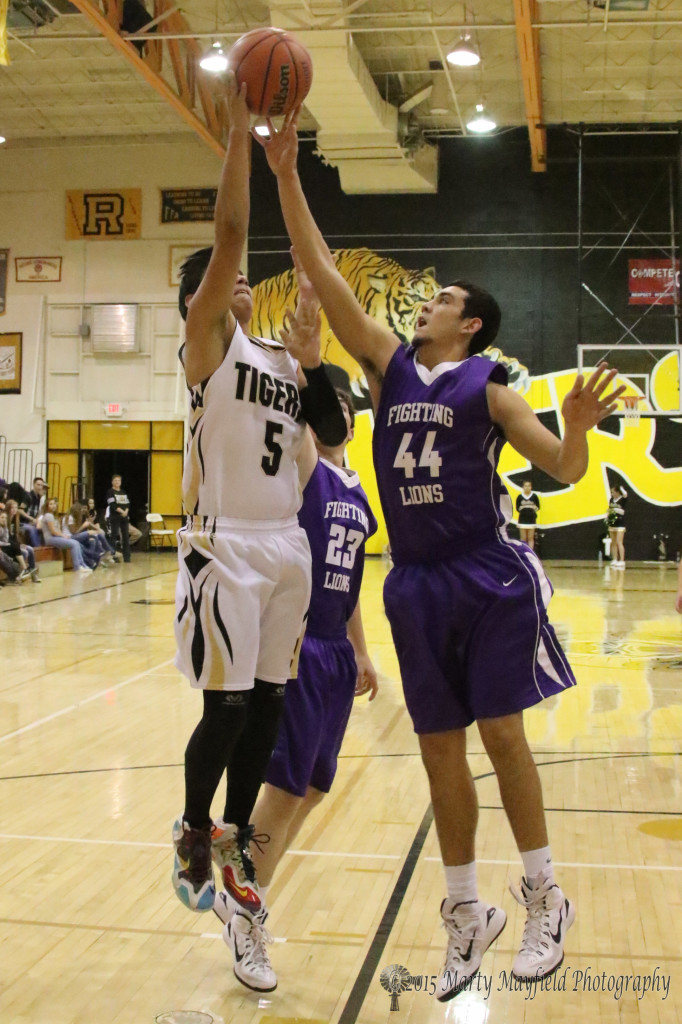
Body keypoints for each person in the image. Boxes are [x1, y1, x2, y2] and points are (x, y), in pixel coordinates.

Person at [256, 110, 626, 998]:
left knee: (501, 735)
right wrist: (283, 174)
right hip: (414, 585)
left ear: (471, 328)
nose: (427, 305)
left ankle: (544, 896)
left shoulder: (491, 388)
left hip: (487, 576)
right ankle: (465, 913)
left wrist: (575, 428)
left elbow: (563, 467)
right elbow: (319, 268)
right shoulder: (384, 365)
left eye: (445, 302)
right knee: (437, 754)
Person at [170, 75, 346, 919]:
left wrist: (313, 361)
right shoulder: (207, 346)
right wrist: (242, 129)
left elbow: (335, 431)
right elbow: (232, 233)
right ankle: (195, 828)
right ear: (198, 305)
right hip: (223, 542)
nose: (237, 283)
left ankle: (239, 832)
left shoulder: (280, 353)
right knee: (229, 705)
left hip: (287, 546)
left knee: (270, 705)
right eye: (219, 281)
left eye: (238, 281)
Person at [214, 383, 379, 993]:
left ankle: (245, 895)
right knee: (284, 792)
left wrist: (362, 650)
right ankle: (242, 904)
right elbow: (302, 416)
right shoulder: (303, 470)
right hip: (298, 647)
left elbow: (351, 577)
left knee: (309, 789)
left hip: (336, 649)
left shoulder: (359, 490)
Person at [40, 497, 93, 574]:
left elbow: (57, 530)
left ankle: (83, 565)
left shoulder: (54, 516)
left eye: (54, 504)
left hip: (56, 537)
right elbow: (53, 531)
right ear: (47, 506)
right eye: (51, 504)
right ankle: (77, 567)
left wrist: (62, 535)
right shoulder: (48, 515)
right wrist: (63, 535)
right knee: (74, 544)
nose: (53, 505)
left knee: (76, 542)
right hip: (50, 538)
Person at [105, 475, 141, 562]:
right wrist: (121, 511)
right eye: (115, 480)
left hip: (124, 517)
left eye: (119, 480)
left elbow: (127, 503)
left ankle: (127, 557)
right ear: (112, 482)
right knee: (114, 536)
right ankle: (113, 556)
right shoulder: (110, 492)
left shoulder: (123, 492)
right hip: (115, 517)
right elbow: (112, 504)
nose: (117, 482)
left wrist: (126, 512)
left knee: (125, 537)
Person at [515, 480, 541, 550]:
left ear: (531, 487)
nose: (527, 487)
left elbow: (538, 506)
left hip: (531, 519)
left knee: (530, 538)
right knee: (523, 538)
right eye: (525, 486)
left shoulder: (534, 496)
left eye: (528, 486)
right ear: (523, 487)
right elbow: (517, 508)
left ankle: (530, 554)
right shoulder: (520, 497)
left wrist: (531, 511)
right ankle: (524, 553)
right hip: (522, 519)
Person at [607, 484, 628, 568]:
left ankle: (622, 560)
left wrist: (621, 488)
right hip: (612, 523)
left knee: (619, 542)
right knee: (613, 542)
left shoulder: (622, 499)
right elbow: (610, 510)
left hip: (620, 524)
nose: (612, 493)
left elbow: (625, 495)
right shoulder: (611, 500)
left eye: (613, 492)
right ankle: (615, 559)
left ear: (617, 492)